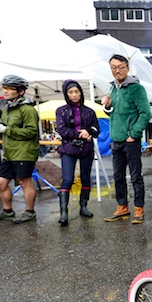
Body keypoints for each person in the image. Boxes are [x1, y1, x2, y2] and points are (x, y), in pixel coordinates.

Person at [101, 55, 150, 224]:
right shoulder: (112, 89)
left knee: (136, 176)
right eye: (113, 67)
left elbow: (145, 113)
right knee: (118, 176)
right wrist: (107, 106)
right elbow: (113, 112)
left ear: (128, 68)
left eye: (120, 67)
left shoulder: (137, 89)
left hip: (131, 140)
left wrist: (134, 135)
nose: (117, 71)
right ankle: (122, 207)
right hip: (116, 140)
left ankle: (139, 208)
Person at [0, 75, 40, 224]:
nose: (5, 91)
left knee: (24, 182)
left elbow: (32, 132)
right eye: (4, 88)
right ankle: (7, 211)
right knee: (0, 183)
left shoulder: (28, 109)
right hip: (9, 152)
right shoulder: (7, 109)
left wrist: (5, 129)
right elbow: (6, 129)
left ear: (21, 91)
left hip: (24, 152)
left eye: (9, 88)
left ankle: (30, 212)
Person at [55, 80, 100, 226]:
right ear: (66, 94)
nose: (74, 95)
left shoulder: (89, 111)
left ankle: (84, 207)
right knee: (67, 179)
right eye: (71, 92)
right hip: (68, 149)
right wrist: (79, 134)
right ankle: (63, 212)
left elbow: (96, 129)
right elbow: (61, 130)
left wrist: (89, 132)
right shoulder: (61, 111)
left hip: (86, 148)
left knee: (85, 178)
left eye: (77, 91)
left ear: (81, 92)